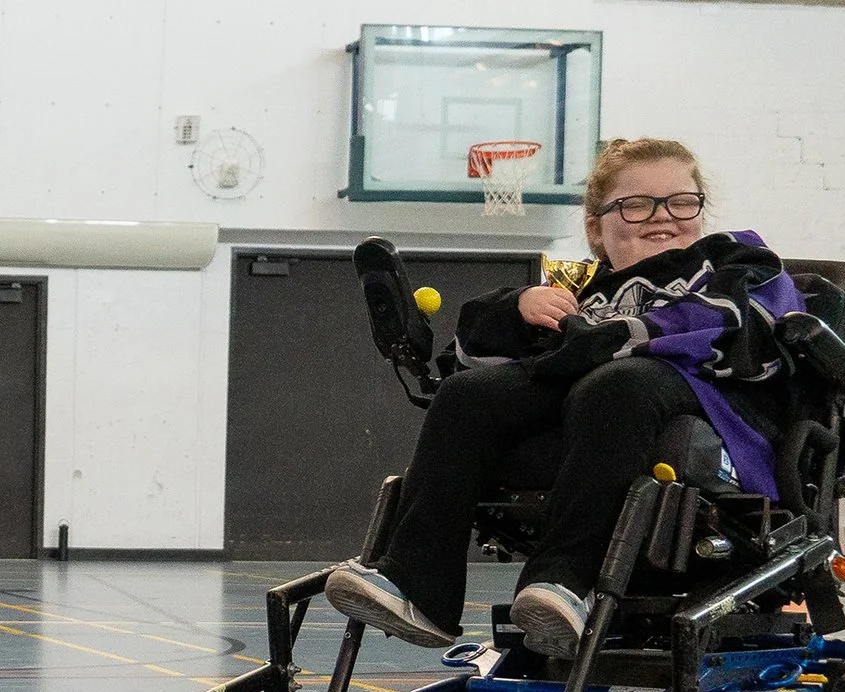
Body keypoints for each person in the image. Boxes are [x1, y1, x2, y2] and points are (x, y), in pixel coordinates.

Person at [326, 138, 804, 660]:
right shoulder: (583, 292)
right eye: (635, 204)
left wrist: (627, 333)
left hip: (712, 415)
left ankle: (566, 583)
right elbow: (472, 358)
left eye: (680, 202)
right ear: (597, 226)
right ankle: (419, 585)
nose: (661, 217)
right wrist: (517, 308)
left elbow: (742, 324)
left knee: (618, 383)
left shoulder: (736, 259)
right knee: (468, 395)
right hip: (600, 417)